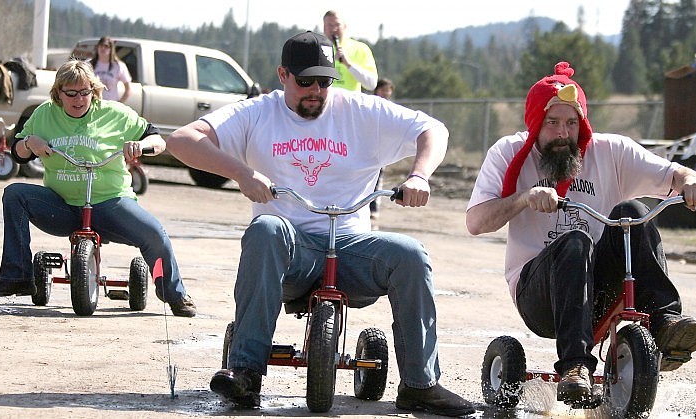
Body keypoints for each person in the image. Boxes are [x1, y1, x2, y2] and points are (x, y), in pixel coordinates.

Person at [166, 31, 474, 416]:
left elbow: (434, 129)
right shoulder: (258, 112)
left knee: (410, 254)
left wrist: (419, 175)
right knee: (266, 228)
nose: (315, 90)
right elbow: (182, 139)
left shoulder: (361, 112)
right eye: (304, 80)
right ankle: (245, 372)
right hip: (290, 252)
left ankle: (420, 384)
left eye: (324, 81)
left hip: (351, 248)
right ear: (283, 75)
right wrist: (241, 173)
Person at [465, 62, 696, 404]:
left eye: (571, 123)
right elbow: (476, 222)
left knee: (633, 213)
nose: (563, 133)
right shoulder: (507, 153)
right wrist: (522, 199)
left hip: (598, 286)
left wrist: (691, 183)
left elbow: (674, 174)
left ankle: (666, 323)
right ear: (536, 122)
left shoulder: (610, 151)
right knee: (576, 240)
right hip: (540, 294)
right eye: (552, 123)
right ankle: (575, 367)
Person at [0, 60, 196, 318]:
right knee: (14, 194)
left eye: (85, 92)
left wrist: (140, 146)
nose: (79, 99)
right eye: (71, 93)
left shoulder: (115, 114)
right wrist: (30, 142)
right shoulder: (45, 113)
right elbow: (18, 153)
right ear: (58, 93)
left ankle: (174, 294)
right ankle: (18, 276)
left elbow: (157, 140)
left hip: (111, 203)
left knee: (155, 234)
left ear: (94, 90)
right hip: (61, 205)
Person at [323, 10, 378, 92]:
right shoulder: (316, 49)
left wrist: (349, 64)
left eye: (337, 25)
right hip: (326, 103)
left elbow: (371, 84)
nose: (334, 29)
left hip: (351, 103)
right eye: (330, 25)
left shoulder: (361, 48)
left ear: (345, 26)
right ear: (324, 28)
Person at [370, 77, 396, 220]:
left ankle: (373, 208)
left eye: (388, 90)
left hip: (381, 148)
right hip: (368, 147)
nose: (386, 93)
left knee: (377, 179)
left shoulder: (392, 109)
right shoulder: (367, 105)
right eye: (383, 89)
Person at [90, 36, 132, 102]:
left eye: (106, 46)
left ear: (111, 49)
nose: (103, 48)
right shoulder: (89, 64)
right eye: (101, 45)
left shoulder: (118, 66)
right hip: (93, 104)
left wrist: (119, 105)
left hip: (110, 105)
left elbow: (128, 89)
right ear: (97, 47)